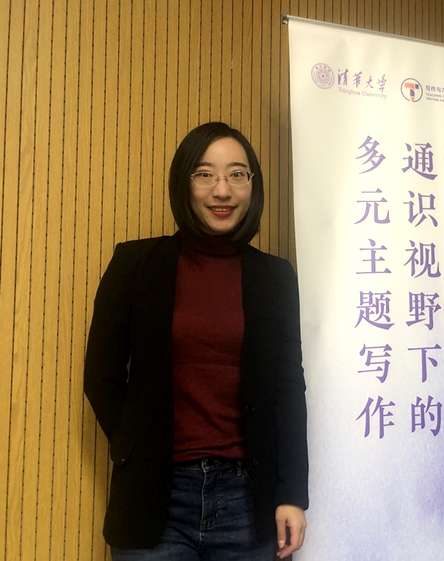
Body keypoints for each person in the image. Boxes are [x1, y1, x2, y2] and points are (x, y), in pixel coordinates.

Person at [84, 122, 308, 560]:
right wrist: (134, 447)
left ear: (253, 185)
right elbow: (101, 375)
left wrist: (292, 494)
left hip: (248, 502)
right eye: (204, 174)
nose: (222, 190)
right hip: (155, 499)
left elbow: (288, 389)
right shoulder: (135, 264)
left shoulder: (275, 278)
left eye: (237, 174)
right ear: (183, 184)